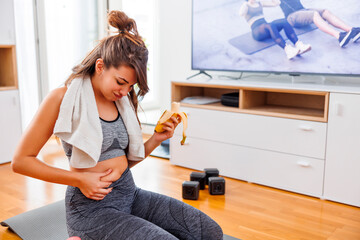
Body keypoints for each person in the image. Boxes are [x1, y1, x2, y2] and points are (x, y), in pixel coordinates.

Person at [11, 10, 223, 240]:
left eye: (130, 86)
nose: (125, 91)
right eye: (121, 82)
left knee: (209, 232)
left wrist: (155, 140)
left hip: (129, 195)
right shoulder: (62, 99)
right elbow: (21, 161)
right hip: (91, 211)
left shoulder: (121, 100)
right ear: (100, 66)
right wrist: (80, 179)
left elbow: (124, 162)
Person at [239, 0, 311, 60]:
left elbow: (276, 3)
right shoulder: (246, 5)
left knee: (284, 21)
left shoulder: (259, 3)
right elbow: (241, 14)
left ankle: (298, 44)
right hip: (257, 31)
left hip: (266, 28)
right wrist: (245, 4)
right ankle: (288, 50)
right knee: (270, 25)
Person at [279, 0, 360, 47]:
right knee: (314, 14)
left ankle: (351, 31)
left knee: (325, 12)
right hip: (292, 16)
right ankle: (339, 36)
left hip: (304, 10)